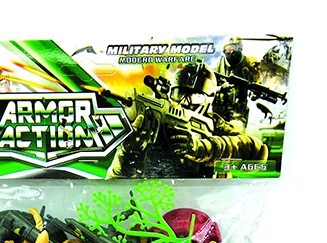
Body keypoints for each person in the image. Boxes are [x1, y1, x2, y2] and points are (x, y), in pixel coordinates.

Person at [106, 60, 267, 179]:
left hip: (206, 203)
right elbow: (115, 182)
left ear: (209, 99)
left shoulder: (214, 124)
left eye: (194, 96)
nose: (185, 101)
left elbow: (258, 152)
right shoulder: (157, 123)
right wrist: (128, 153)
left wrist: (200, 148)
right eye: (179, 93)